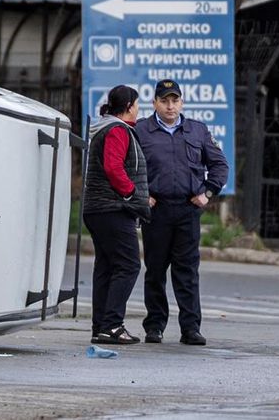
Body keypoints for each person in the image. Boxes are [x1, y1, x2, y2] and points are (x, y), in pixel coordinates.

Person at [136, 79, 228, 346]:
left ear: (182, 103)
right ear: (154, 103)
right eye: (164, 101)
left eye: (175, 100)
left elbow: (220, 165)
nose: (170, 106)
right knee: (155, 271)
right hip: (157, 210)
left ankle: (190, 328)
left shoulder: (197, 131)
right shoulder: (143, 130)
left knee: (187, 272)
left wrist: (208, 193)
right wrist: (143, 194)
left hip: (187, 210)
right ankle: (155, 326)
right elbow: (130, 166)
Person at [84, 85, 151, 345]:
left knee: (107, 266)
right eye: (137, 104)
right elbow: (113, 167)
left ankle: (100, 326)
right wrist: (131, 193)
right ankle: (112, 324)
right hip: (112, 208)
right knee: (129, 264)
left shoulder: (105, 128)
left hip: (97, 208)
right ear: (128, 106)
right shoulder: (117, 130)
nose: (138, 108)